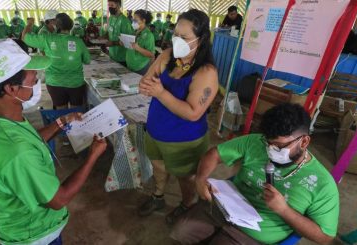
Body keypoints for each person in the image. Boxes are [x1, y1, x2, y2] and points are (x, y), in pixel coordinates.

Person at [0, 38, 107, 244]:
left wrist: (60, 122)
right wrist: (92, 156)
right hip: (35, 233)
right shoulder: (16, 151)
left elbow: (29, 141)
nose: (37, 82)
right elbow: (59, 199)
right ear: (11, 89)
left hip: (16, 222)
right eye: (34, 80)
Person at [171, 103, 340, 244]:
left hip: (254, 234)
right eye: (268, 143)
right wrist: (201, 179)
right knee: (181, 231)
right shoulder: (255, 142)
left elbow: (325, 237)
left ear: (304, 141)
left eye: (279, 146)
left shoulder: (322, 184)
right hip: (224, 208)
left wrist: (283, 210)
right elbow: (215, 153)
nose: (271, 150)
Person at [137, 9, 218, 223]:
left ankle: (187, 204)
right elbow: (146, 80)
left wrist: (160, 92)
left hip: (184, 139)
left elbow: (193, 113)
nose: (177, 41)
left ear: (200, 40)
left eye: (184, 38)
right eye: (175, 35)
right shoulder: (168, 55)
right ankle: (158, 195)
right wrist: (146, 85)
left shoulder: (205, 72)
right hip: (155, 130)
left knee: (186, 177)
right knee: (158, 166)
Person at [23, 14, 90, 110]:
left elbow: (24, 37)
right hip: (75, 83)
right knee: (76, 112)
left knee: (61, 111)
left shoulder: (47, 38)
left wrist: (29, 24)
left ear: (56, 26)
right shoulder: (78, 41)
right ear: (71, 26)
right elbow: (87, 60)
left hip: (54, 83)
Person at [125, 10, 155, 75]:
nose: (133, 22)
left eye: (136, 20)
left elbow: (151, 55)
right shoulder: (134, 32)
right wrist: (124, 42)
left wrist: (138, 48)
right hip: (130, 65)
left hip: (140, 68)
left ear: (143, 21)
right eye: (133, 20)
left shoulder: (149, 35)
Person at [106, 0, 133, 66]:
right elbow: (109, 32)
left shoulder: (125, 21)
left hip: (122, 58)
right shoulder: (110, 18)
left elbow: (128, 42)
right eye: (109, 5)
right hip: (112, 54)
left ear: (118, 6)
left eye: (112, 5)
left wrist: (113, 43)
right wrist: (102, 37)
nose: (110, 7)